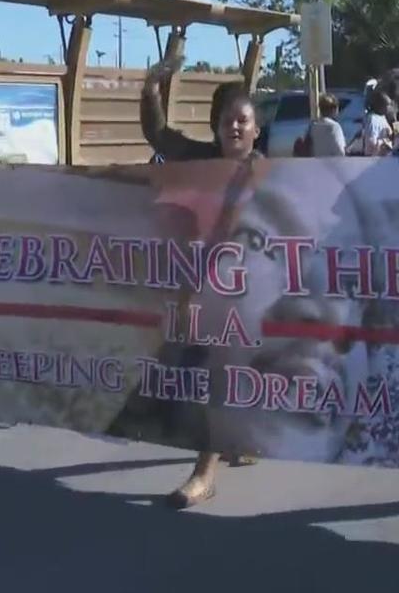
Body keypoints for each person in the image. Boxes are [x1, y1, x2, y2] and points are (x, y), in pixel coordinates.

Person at [138, 58, 261, 509]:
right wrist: (152, 89)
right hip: (204, 288)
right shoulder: (201, 161)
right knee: (212, 374)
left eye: (242, 120)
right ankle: (216, 459)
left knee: (228, 375)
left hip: (253, 293)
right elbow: (159, 136)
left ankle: (220, 457)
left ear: (256, 131)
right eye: (227, 120)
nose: (234, 126)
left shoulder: (275, 175)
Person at [351, 90, 393, 156]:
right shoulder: (372, 119)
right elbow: (371, 143)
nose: (390, 108)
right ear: (380, 105)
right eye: (388, 105)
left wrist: (395, 123)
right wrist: (385, 143)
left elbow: (395, 137)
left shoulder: (383, 117)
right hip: (373, 159)